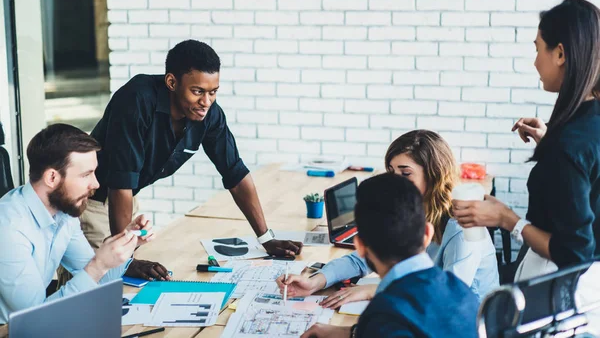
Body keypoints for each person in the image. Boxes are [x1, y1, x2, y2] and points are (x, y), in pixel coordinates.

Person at [72, 40, 302, 281]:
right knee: (98, 293)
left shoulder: (209, 114)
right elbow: (121, 181)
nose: (207, 102)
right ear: (172, 82)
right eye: (198, 91)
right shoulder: (136, 99)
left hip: (125, 203)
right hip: (91, 203)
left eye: (213, 92)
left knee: (130, 288)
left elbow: (235, 175)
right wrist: (126, 259)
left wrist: (266, 239)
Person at [453, 0, 600, 280]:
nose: (535, 61)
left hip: (562, 289)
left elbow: (574, 253)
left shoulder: (569, 144)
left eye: (537, 48)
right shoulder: (582, 130)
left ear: (560, 54)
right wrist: (549, 145)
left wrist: (506, 219)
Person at [277, 130, 498, 306]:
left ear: (433, 175)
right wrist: (316, 281)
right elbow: (365, 258)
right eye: (391, 171)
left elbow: (449, 296)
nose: (396, 180)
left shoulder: (462, 226)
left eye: (405, 173)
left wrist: (374, 289)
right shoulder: (408, 209)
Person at [0, 124, 155, 324]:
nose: (96, 184)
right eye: (86, 175)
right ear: (52, 177)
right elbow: (36, 319)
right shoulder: (8, 229)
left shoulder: (64, 213)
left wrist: (126, 243)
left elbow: (99, 280)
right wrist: (98, 265)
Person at [298, 174, 479, 338]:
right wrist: (351, 333)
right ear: (427, 233)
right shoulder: (460, 290)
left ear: (359, 246)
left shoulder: (385, 313)